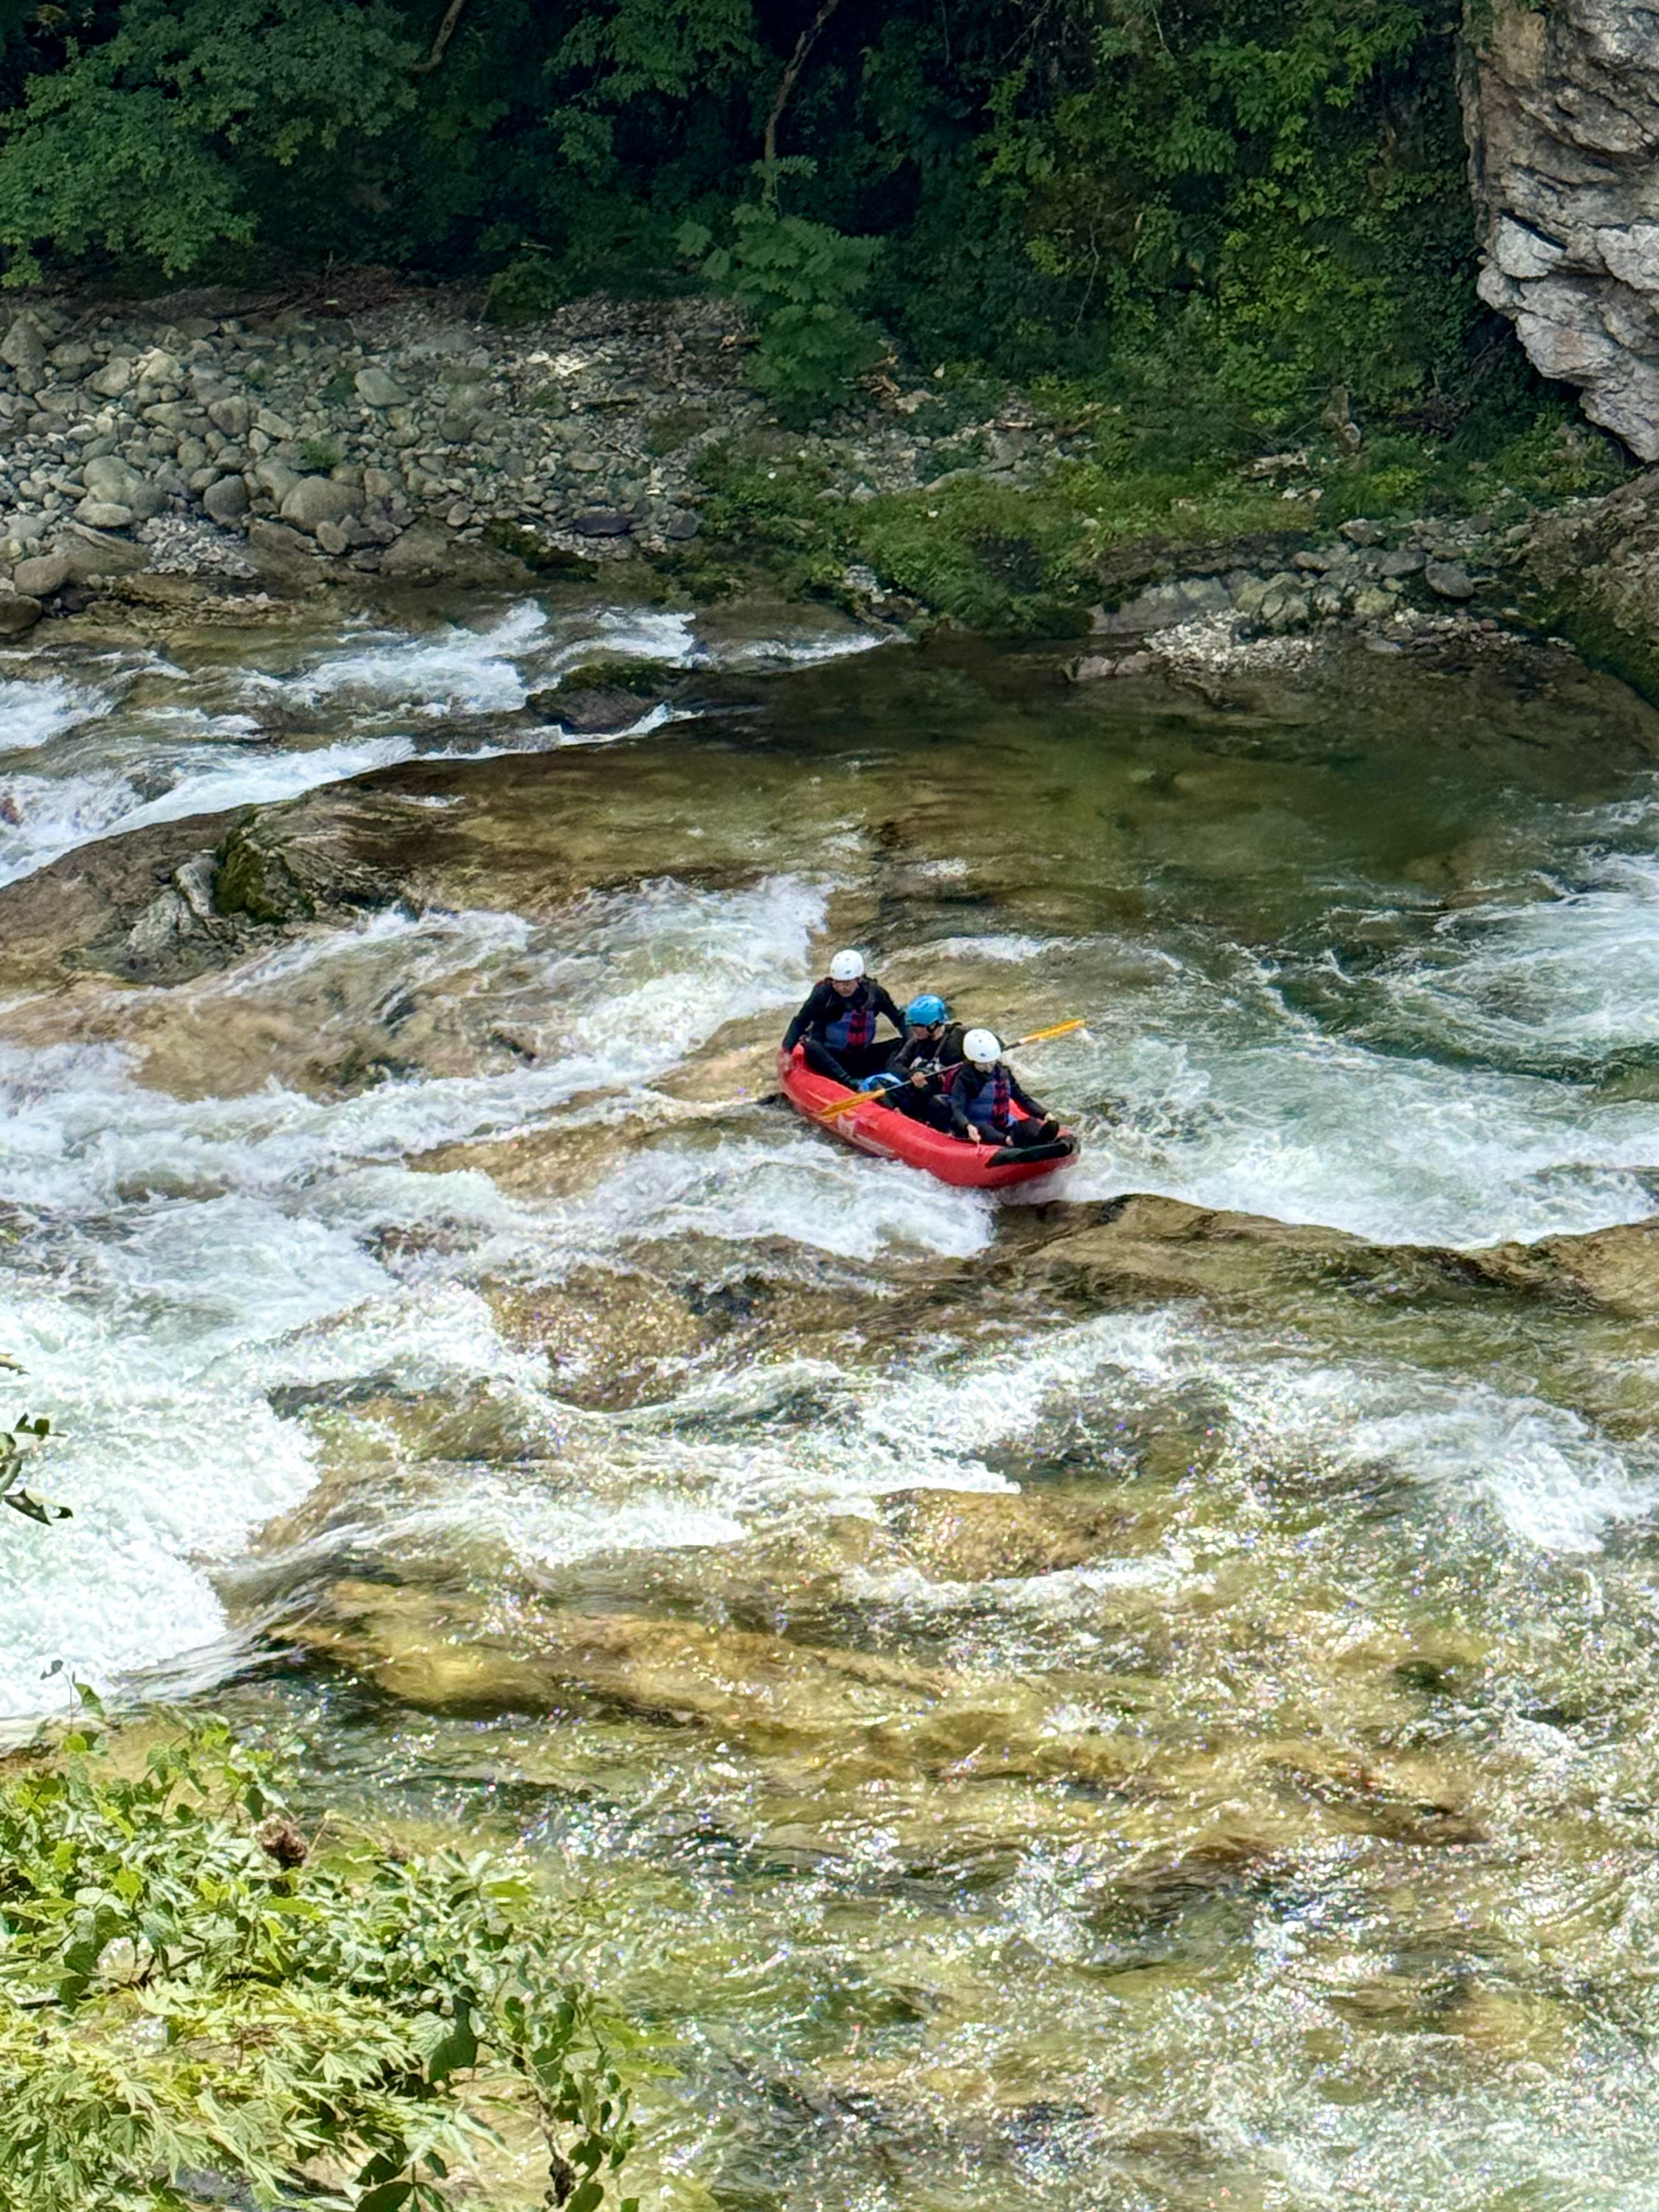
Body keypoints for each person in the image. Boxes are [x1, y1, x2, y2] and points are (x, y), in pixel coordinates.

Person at [780, 950, 907, 1087]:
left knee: (901, 1044)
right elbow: (800, 1022)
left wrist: (915, 1044)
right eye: (837, 983)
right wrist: (787, 1051)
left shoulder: (875, 994)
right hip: (832, 1059)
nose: (841, 988)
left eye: (846, 983)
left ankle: (894, 1078)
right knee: (811, 1046)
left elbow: (899, 1019)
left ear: (859, 980)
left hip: (862, 1056)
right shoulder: (824, 995)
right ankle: (849, 1083)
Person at [944, 1028, 1070, 1150]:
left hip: (1003, 1124)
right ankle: (1009, 1142)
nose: (989, 1068)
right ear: (972, 1060)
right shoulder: (964, 1078)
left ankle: (1040, 1139)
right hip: (976, 1126)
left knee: (1030, 1124)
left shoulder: (1003, 1072)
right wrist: (967, 1126)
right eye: (983, 1064)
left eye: (991, 1062)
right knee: (986, 1130)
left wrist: (1043, 1113)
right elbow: (957, 1108)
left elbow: (1022, 1098)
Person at [874, 994, 962, 1131]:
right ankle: (900, 1119)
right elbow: (896, 1066)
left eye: (918, 1026)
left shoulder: (959, 1037)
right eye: (912, 1025)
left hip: (945, 1098)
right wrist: (912, 1074)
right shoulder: (917, 1042)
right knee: (877, 1084)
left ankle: (947, 1131)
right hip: (920, 1095)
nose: (913, 1029)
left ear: (933, 1025)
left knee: (936, 1104)